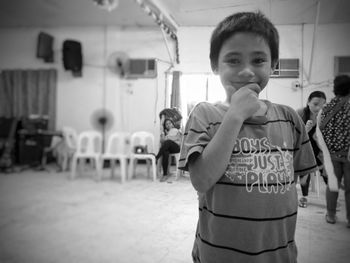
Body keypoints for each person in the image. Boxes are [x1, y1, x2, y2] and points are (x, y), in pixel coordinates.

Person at [178, 11, 317, 262]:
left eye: (258, 60)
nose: (246, 71)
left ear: (273, 65)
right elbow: (201, 180)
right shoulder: (204, 114)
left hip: (278, 254)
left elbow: (291, 179)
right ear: (214, 65)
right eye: (232, 60)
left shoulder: (288, 118)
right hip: (218, 254)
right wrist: (235, 115)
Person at [318, 75, 350, 227]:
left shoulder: (327, 107)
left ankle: (330, 215)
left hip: (331, 155)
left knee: (333, 185)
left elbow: (320, 132)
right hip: (348, 155)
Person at [296, 91, 327, 208]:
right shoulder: (300, 113)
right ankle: (304, 197)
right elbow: (293, 136)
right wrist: (305, 130)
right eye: (315, 104)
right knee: (305, 172)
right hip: (302, 148)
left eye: (322, 106)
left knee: (327, 171)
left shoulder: (324, 116)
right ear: (308, 102)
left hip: (318, 150)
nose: (318, 108)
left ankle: (332, 198)